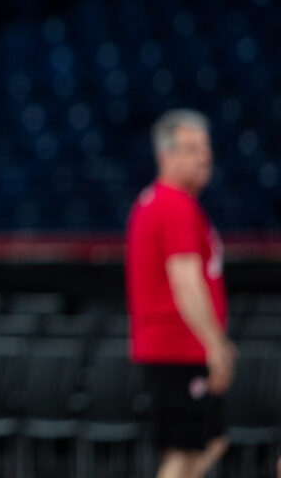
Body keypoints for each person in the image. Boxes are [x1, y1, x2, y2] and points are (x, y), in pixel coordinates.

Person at [126, 109, 235, 478]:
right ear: (165, 155)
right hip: (178, 347)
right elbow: (186, 283)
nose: (203, 157)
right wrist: (215, 344)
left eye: (206, 149)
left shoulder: (158, 201)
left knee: (210, 442)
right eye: (192, 149)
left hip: (171, 346)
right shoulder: (174, 205)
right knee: (183, 453)